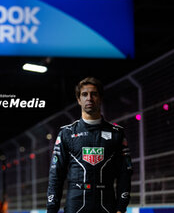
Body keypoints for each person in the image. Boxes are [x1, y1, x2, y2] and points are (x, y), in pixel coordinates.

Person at [47, 77, 133, 213]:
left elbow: (125, 173)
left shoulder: (117, 133)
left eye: (94, 94)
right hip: (75, 205)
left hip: (107, 205)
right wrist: (52, 209)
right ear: (78, 100)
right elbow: (56, 174)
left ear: (100, 98)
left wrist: (121, 207)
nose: (89, 98)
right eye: (84, 94)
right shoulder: (66, 133)